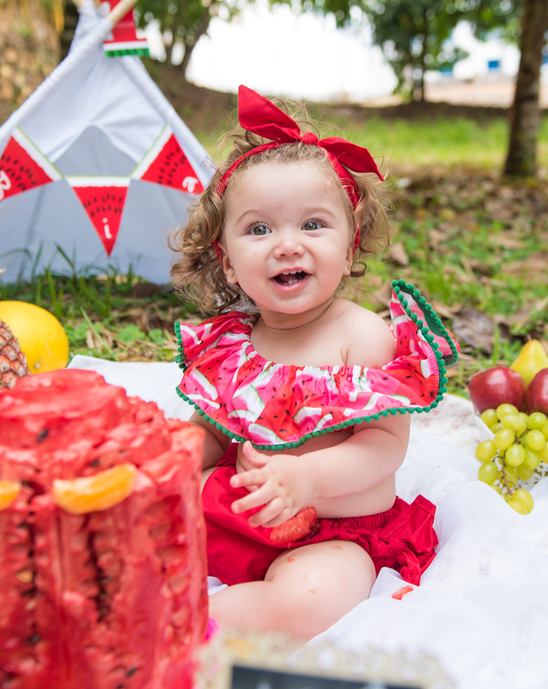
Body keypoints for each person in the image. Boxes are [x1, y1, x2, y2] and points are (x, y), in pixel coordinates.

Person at [171, 85, 459, 643]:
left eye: (312, 225)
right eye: (259, 229)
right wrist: (177, 457)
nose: (287, 245)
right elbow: (213, 428)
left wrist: (307, 477)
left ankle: (185, 630)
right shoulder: (233, 345)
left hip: (335, 530)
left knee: (311, 598)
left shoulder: (362, 339)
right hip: (238, 504)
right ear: (227, 263)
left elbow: (383, 446)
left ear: (349, 250)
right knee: (145, 511)